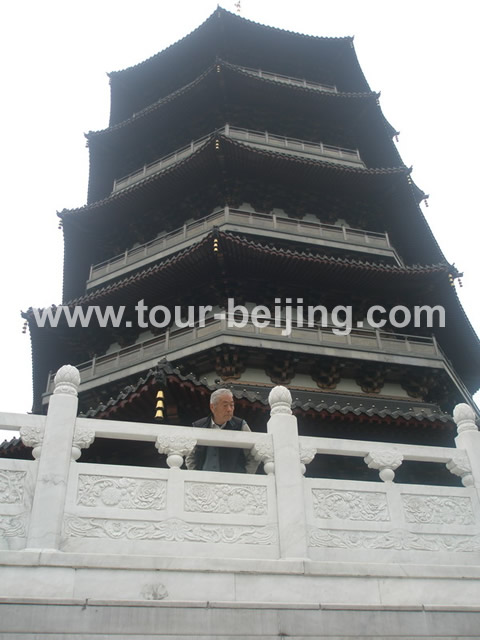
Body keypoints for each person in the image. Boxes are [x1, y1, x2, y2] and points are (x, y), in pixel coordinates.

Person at [185, 389, 258, 473]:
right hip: (204, 480)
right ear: (212, 407)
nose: (229, 409)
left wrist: (245, 476)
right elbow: (190, 457)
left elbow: (253, 454)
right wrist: (195, 476)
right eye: (225, 405)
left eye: (232, 405)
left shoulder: (240, 425)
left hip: (233, 481)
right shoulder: (199, 426)